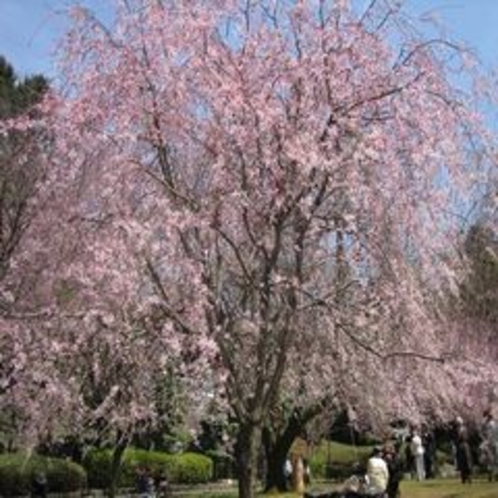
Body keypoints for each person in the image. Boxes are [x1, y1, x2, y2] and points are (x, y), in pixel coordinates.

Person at [480, 408, 498, 482]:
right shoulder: (486, 424)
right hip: (490, 443)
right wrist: (485, 440)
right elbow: (481, 433)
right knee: (490, 460)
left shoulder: (493, 424)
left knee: (493, 459)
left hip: (493, 442)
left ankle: (494, 475)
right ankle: (491, 475)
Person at [454, 416, 472, 484]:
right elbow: (455, 438)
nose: (458, 424)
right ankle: (463, 477)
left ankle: (469, 476)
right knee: (461, 462)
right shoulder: (456, 430)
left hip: (464, 445)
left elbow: (466, 437)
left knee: (467, 461)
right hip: (459, 446)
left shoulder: (464, 429)